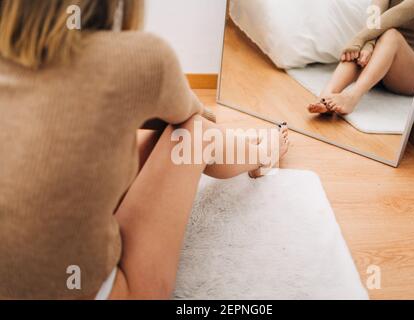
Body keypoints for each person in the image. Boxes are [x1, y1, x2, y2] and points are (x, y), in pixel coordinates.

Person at [0, 0, 289, 299]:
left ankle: (251, 148)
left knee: (111, 150)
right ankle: (262, 152)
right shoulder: (136, 59)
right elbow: (195, 117)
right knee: (195, 136)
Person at [308, 0, 414, 115]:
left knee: (390, 36)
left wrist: (362, 38)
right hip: (382, 54)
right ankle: (325, 97)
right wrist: (369, 43)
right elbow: (375, 10)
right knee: (361, 47)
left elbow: (402, 11)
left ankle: (352, 97)